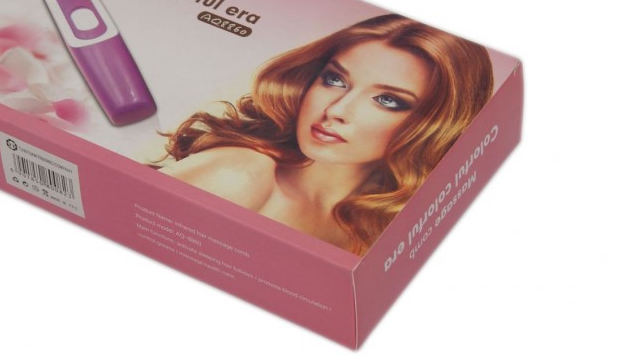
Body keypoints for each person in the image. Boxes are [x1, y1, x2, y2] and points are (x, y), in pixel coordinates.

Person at [159, 13, 494, 254]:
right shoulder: (239, 175)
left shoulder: (390, 228)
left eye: (387, 100)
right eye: (335, 79)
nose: (336, 110)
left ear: (436, 125)